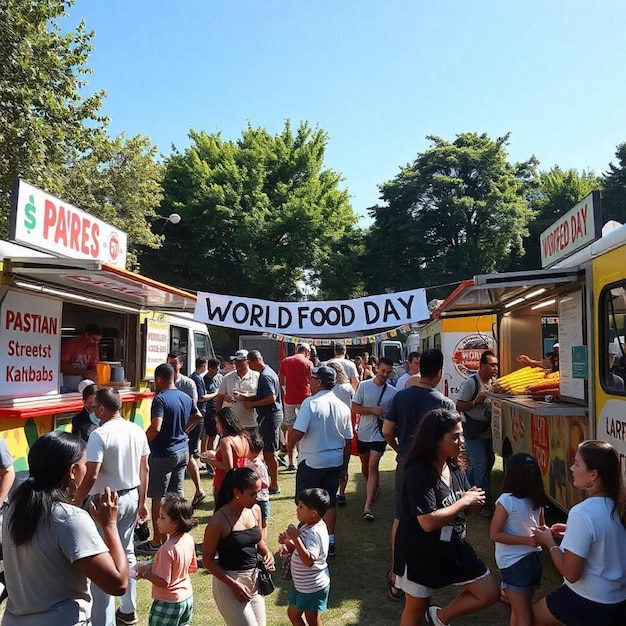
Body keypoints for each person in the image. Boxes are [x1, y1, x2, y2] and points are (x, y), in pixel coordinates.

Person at [1, 431, 128, 625]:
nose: (87, 470)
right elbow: (118, 583)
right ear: (71, 471)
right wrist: (110, 525)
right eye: (84, 465)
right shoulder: (70, 519)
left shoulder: (15, 508)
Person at [394, 408, 500, 626]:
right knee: (415, 608)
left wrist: (471, 502)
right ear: (435, 440)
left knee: (488, 592)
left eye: (461, 435)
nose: (461, 441)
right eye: (455, 436)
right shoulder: (418, 471)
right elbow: (428, 521)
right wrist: (463, 502)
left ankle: (438, 618)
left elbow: (467, 504)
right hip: (420, 552)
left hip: (453, 546)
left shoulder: (453, 464)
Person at [382, 348, 456, 600]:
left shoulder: (401, 397)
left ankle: (396, 576)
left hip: (406, 463)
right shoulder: (445, 402)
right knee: (433, 519)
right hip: (435, 469)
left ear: (417, 368)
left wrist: (399, 447)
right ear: (439, 372)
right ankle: (429, 572)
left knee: (401, 518)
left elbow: (386, 430)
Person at [72, 387, 150, 626]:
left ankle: (104, 621)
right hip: (130, 496)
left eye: (95, 408)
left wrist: (76, 501)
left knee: (102, 560)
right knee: (126, 551)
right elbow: (144, 468)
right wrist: (142, 500)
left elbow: (92, 473)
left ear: (103, 409)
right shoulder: (136, 429)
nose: (93, 412)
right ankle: (128, 609)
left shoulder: (100, 434)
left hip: (105, 501)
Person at [532, 440, 626, 626]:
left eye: (576, 463)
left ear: (594, 474)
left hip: (591, 601)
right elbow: (607, 535)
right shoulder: (619, 504)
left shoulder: (582, 512)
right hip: (618, 600)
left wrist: (550, 543)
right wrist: (573, 531)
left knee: (532, 616)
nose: (571, 468)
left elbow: (570, 572)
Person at [289, 365, 353, 557]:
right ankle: (330, 540)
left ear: (318, 381)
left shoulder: (311, 403)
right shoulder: (342, 406)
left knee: (305, 501)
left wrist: (288, 445)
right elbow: (348, 439)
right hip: (334, 460)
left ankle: (307, 539)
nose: (309, 381)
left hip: (311, 460)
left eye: (312, 378)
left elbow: (298, 431)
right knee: (330, 501)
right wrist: (345, 466)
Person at [202, 467, 275, 626]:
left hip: (254, 583)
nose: (257, 498)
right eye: (252, 494)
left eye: (259, 492)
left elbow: (258, 541)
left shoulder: (255, 510)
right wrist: (233, 585)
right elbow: (207, 560)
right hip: (229, 585)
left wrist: (267, 553)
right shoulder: (219, 521)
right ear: (237, 492)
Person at [136, 363, 195, 556]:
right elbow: (198, 415)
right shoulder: (185, 396)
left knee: (158, 498)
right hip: (182, 450)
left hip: (163, 453)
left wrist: (141, 443)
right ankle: (177, 537)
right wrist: (184, 431)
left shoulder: (160, 399)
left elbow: (156, 427)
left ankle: (156, 541)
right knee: (176, 496)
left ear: (159, 379)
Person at [489, 453, 547, 626]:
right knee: (518, 609)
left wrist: (526, 541)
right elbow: (541, 527)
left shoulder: (506, 500)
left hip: (514, 564)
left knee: (523, 615)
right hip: (533, 563)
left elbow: (494, 534)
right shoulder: (537, 499)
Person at [136, 493, 198, 626]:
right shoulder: (188, 539)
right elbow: (192, 567)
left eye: (162, 517)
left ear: (175, 524)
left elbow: (164, 582)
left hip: (168, 603)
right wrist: (155, 566)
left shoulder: (167, 550)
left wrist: (144, 573)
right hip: (186, 598)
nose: (157, 521)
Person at [351, 356, 396, 521]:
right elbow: (354, 408)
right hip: (363, 433)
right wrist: (371, 410)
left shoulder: (393, 392)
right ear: (376, 368)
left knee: (372, 466)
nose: (385, 374)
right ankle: (374, 486)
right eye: (383, 371)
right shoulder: (364, 386)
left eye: (388, 372)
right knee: (365, 466)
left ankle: (367, 506)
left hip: (379, 434)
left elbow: (394, 416)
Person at [278, 488, 331, 626]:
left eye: (301, 507)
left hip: (312, 586)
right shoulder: (307, 526)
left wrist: (295, 538)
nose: (297, 510)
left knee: (312, 619)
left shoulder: (314, 533)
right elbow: (299, 548)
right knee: (293, 614)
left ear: (314, 513)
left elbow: (308, 560)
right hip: (303, 586)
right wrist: (287, 544)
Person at [456, 350, 498, 517]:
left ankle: (464, 489)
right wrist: (475, 402)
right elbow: (459, 405)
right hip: (473, 431)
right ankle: (483, 504)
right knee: (480, 463)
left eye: (496, 365)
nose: (495, 368)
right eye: (492, 365)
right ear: (481, 366)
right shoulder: (471, 383)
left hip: (486, 431)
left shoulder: (493, 382)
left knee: (489, 461)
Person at [167, 353, 205, 509]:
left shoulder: (188, 383)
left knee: (187, 456)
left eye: (174, 363)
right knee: (185, 458)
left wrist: (184, 430)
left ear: (181, 365)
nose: (172, 366)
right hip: (172, 428)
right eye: (169, 363)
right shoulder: (164, 381)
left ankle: (196, 490)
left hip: (187, 426)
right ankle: (196, 491)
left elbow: (193, 410)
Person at [245, 350, 284, 494]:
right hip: (271, 415)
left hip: (270, 415)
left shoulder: (265, 376)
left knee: (269, 452)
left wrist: (252, 404)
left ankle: (274, 485)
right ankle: (270, 481)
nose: (248, 366)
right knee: (267, 450)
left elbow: (271, 398)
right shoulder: (268, 372)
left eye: (249, 363)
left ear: (255, 361)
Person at [202, 407, 251, 502]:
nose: (216, 425)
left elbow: (228, 466)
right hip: (241, 480)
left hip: (224, 482)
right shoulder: (243, 437)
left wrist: (208, 460)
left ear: (224, 423)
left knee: (221, 510)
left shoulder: (226, 441)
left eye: (217, 422)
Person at [279, 342, 313, 472]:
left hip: (289, 399)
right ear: (307, 352)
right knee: (304, 428)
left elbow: (281, 378)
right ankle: (302, 457)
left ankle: (291, 461)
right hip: (305, 398)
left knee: (291, 429)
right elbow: (312, 380)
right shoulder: (308, 363)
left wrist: (285, 390)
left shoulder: (286, 361)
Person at [327, 363, 355, 507]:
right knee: (345, 462)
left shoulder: (330, 388)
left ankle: (331, 491)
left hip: (331, 425)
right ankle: (342, 493)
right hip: (346, 423)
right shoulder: (347, 387)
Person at [216, 349, 260, 432]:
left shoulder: (257, 376)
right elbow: (219, 397)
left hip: (250, 422)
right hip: (231, 423)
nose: (237, 363)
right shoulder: (227, 377)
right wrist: (219, 416)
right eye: (236, 361)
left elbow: (262, 397)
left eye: (240, 361)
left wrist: (247, 398)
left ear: (247, 361)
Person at [246, 432, 271, 542]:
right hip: (251, 498)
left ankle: (263, 540)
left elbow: (266, 483)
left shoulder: (258, 465)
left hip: (261, 498)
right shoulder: (247, 462)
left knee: (263, 521)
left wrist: (254, 482)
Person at [201, 358, 223, 469]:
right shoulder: (204, 381)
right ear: (209, 368)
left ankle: (214, 459)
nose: (217, 371)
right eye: (215, 369)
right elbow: (203, 397)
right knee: (212, 436)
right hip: (209, 411)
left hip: (219, 410)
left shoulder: (219, 378)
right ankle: (209, 464)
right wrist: (216, 394)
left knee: (218, 436)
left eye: (218, 369)